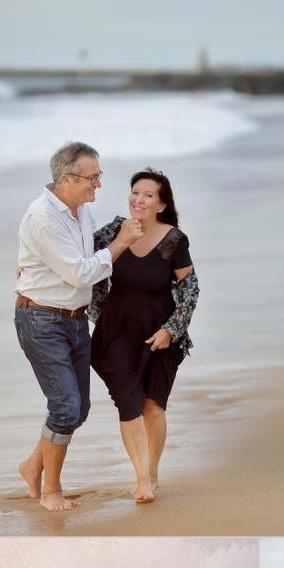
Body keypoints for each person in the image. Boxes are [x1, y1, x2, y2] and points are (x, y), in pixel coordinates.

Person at [13, 141, 142, 511]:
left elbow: (86, 252)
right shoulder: (42, 217)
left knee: (78, 408)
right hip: (41, 319)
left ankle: (32, 465)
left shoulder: (79, 209)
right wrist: (121, 243)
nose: (99, 183)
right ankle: (51, 491)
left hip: (74, 320)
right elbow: (80, 272)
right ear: (67, 178)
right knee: (66, 407)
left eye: (99, 176)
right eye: (93, 177)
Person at [88, 168, 200, 504]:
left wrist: (171, 329)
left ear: (161, 204)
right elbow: (74, 253)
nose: (139, 199)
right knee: (128, 403)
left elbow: (191, 288)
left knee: (153, 406)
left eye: (148, 195)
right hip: (117, 328)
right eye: (135, 192)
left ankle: (151, 471)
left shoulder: (174, 240)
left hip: (159, 331)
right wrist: (32, 264)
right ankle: (141, 480)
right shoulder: (115, 229)